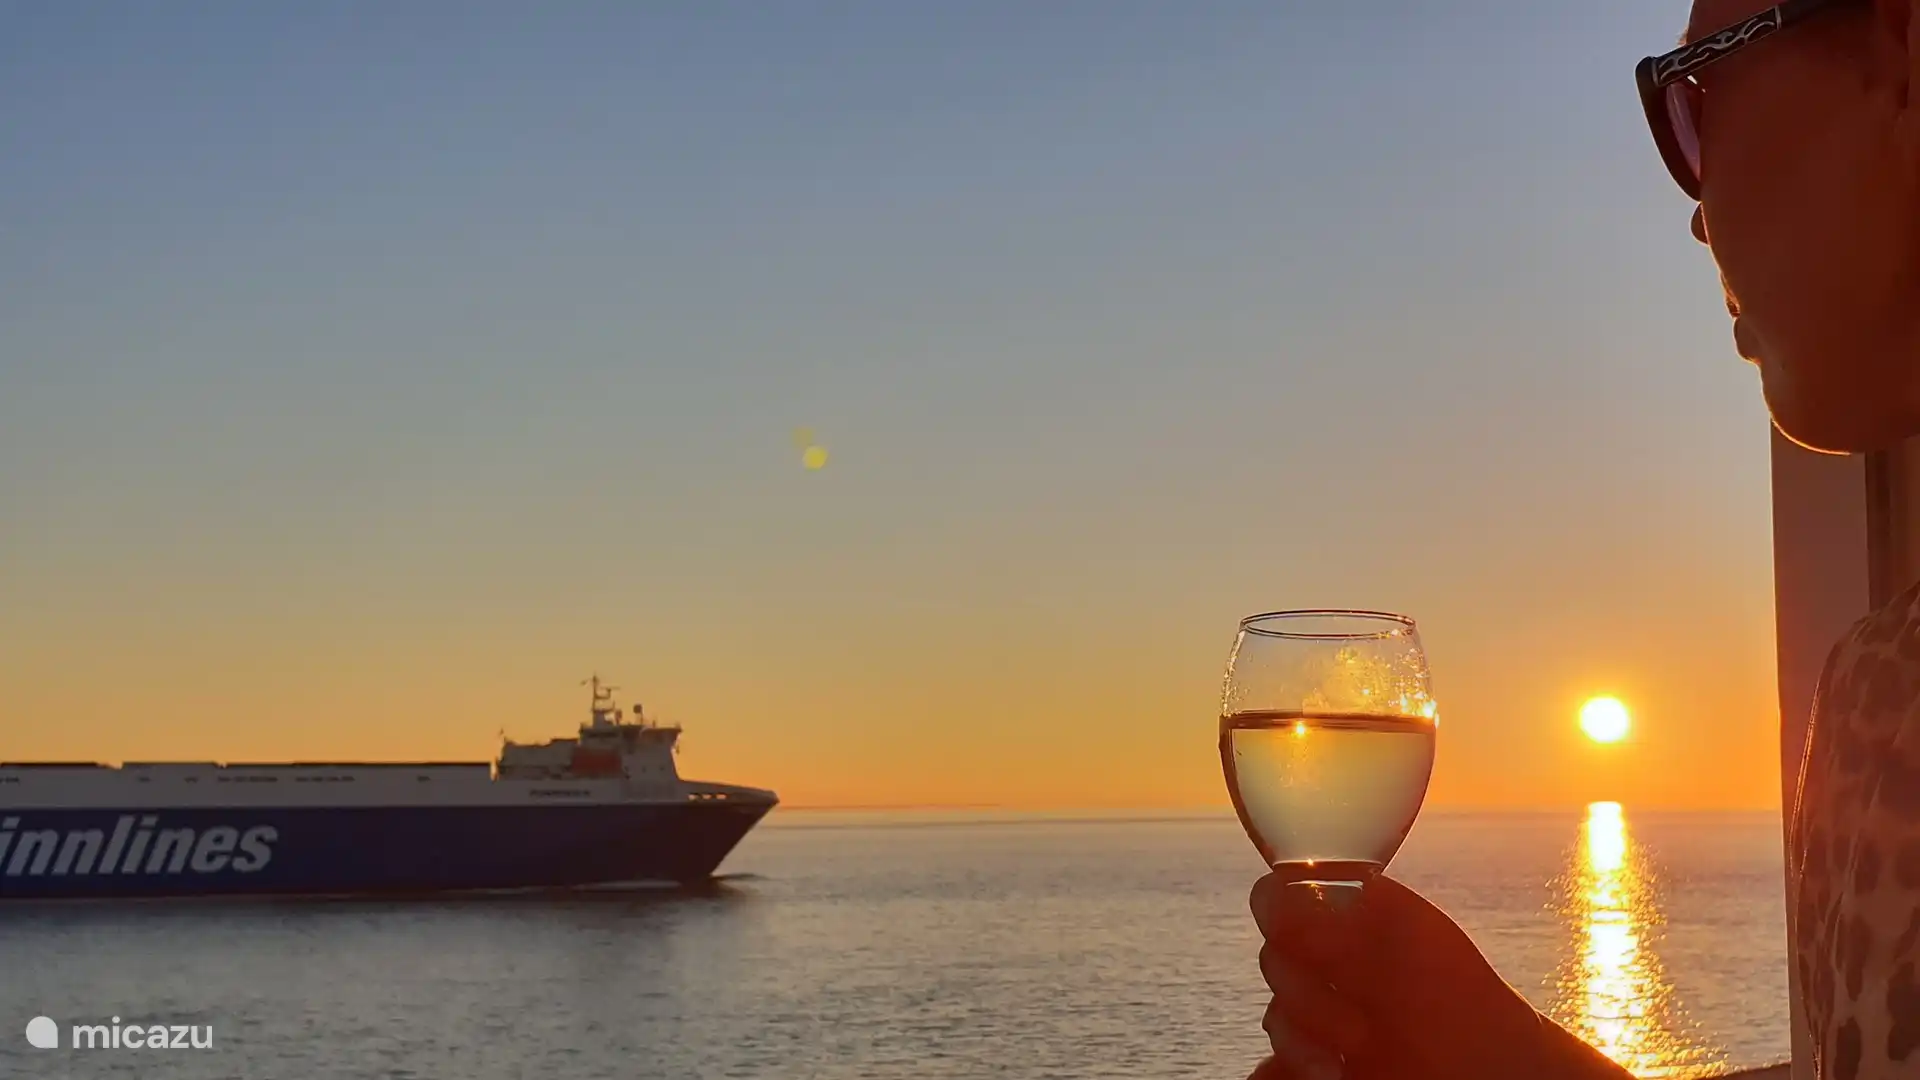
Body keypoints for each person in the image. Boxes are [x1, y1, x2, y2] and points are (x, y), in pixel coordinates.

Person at [1248, 0, 1920, 1077]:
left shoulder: (1891, 708)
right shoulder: (1871, 686)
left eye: (1696, 103)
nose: (1698, 215)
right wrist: (1500, 1054)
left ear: (1899, 57)